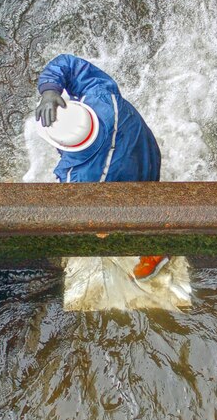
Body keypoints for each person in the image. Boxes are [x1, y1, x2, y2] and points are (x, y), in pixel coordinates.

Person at [35, 53, 169, 281]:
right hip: (146, 154)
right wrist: (50, 88)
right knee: (148, 189)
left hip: (118, 180)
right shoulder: (102, 97)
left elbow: (70, 204)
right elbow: (67, 63)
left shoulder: (76, 176)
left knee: (129, 212)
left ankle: (154, 252)